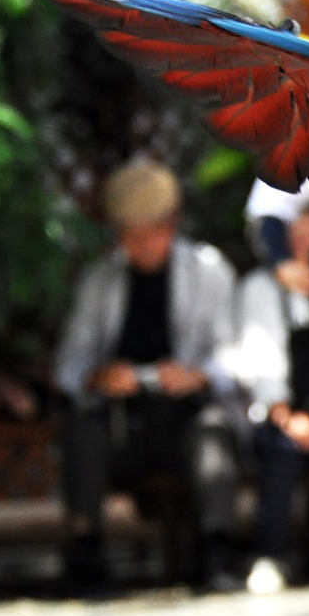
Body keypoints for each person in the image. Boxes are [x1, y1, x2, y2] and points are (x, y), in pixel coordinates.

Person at [55, 159, 240, 589]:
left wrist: (197, 376)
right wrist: (98, 377)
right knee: (84, 428)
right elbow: (68, 366)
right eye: (128, 235)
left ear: (172, 225)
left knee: (212, 432)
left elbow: (235, 356)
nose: (137, 245)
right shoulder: (100, 280)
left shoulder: (209, 271)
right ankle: (85, 552)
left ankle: (217, 549)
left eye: (148, 233)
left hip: (184, 418)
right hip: (123, 426)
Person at [234, 199, 309, 594]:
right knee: (280, 450)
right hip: (283, 413)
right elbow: (260, 362)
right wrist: (286, 414)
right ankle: (271, 555)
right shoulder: (262, 289)